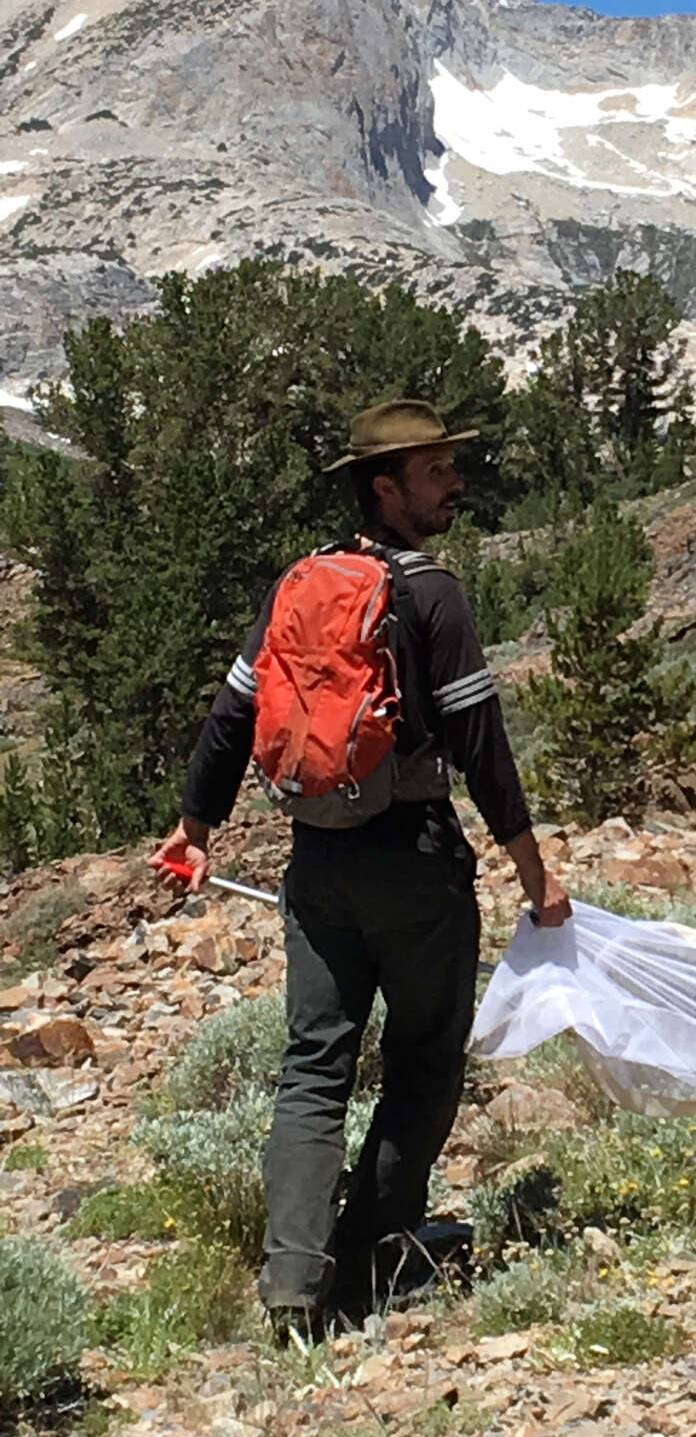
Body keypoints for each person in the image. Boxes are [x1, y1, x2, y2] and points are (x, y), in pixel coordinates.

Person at [151, 401, 571, 1338]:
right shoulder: (432, 594)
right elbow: (481, 745)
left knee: (313, 1067)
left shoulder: (300, 584)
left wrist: (196, 826)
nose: (453, 484)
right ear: (385, 487)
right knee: (425, 1060)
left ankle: (293, 1283)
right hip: (416, 862)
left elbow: (232, 716)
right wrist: (535, 875)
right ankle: (373, 1254)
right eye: (433, 472)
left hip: (320, 864)